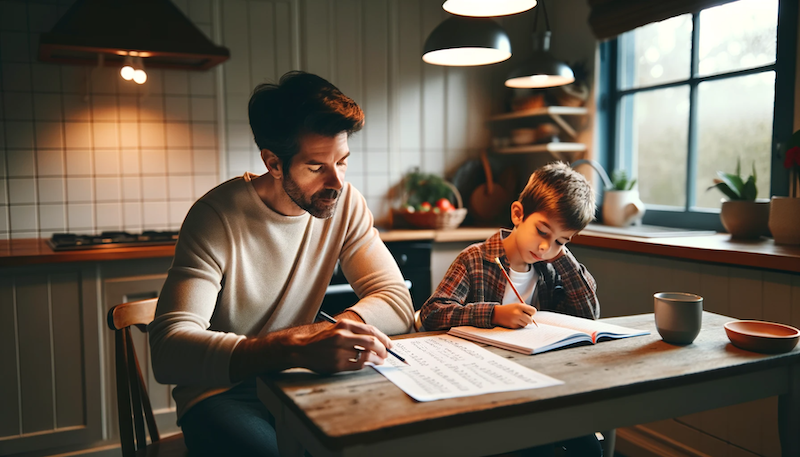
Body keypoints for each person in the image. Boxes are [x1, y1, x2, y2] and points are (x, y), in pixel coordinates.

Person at [148, 71, 414, 457]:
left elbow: (395, 299)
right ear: (273, 163)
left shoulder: (345, 204)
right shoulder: (215, 217)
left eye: (342, 161)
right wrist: (292, 347)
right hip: (223, 394)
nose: (336, 181)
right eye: (316, 166)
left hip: (300, 380)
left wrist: (336, 333)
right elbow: (168, 350)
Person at [419, 161, 602, 457]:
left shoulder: (550, 268)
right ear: (518, 214)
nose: (545, 248)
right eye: (542, 231)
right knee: (533, 447)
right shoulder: (474, 259)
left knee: (589, 449)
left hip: (541, 385)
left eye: (561, 241)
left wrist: (563, 255)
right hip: (482, 384)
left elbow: (588, 315)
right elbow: (432, 313)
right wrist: (493, 314)